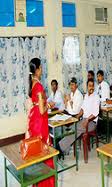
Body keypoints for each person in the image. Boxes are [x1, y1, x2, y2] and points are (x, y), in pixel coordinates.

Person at [26, 58, 55, 186]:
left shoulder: (32, 83)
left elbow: (37, 105)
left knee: (38, 152)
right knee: (44, 151)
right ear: (37, 69)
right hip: (40, 122)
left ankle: (38, 182)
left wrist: (45, 103)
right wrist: (49, 105)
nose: (42, 69)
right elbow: (42, 109)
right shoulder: (38, 85)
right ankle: (46, 183)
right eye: (41, 67)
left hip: (35, 120)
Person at [59, 79, 100, 153]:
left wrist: (87, 120)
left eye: (92, 86)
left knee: (74, 128)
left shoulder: (96, 97)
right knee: (72, 128)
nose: (91, 88)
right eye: (89, 86)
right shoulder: (86, 96)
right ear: (87, 87)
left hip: (92, 122)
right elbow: (82, 109)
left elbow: (95, 113)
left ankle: (60, 147)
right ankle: (64, 147)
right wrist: (77, 117)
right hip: (84, 120)